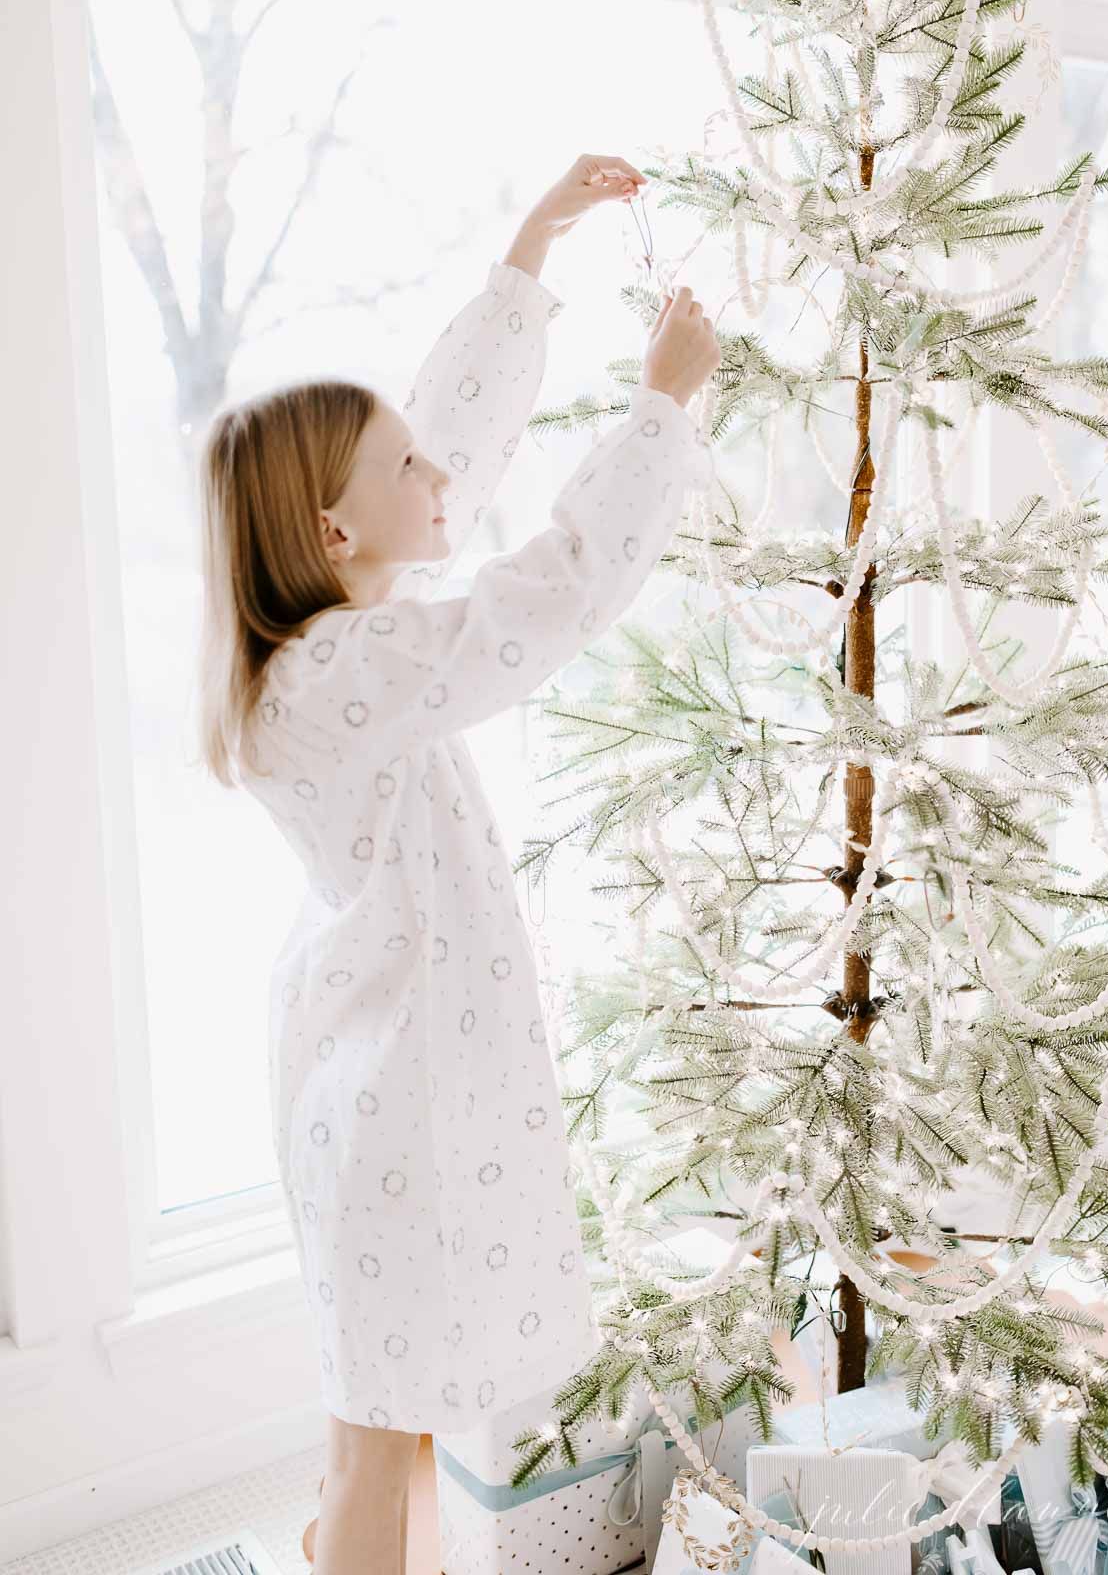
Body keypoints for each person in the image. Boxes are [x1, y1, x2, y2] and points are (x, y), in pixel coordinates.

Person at [196, 152, 720, 1572]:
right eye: (407, 472)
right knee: (385, 1438)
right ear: (331, 533)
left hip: (372, 1077)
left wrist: (529, 257)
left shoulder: (340, 636)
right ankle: (348, 1553)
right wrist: (660, 412)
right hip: (394, 1102)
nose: (444, 478)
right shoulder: (347, 673)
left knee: (373, 1407)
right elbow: (544, 595)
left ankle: (329, 1544)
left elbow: (453, 456)